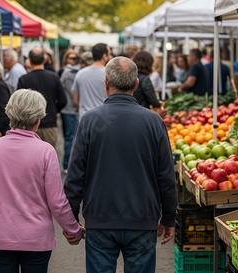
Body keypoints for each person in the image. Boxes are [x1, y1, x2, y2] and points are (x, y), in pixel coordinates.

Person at [64, 56, 177, 273]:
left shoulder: (89, 121)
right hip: (142, 218)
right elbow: (166, 175)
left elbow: (76, 175)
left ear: (106, 83)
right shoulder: (154, 122)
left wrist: (71, 218)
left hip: (100, 219)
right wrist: (169, 217)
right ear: (136, 84)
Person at [0, 89, 84, 273]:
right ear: (38, 119)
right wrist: (73, 229)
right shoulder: (45, 151)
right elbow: (56, 201)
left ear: (10, 114)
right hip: (36, 238)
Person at [17, 48, 67, 148]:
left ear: (30, 60)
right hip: (50, 124)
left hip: (29, 124)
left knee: (30, 156)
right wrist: (52, 110)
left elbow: (20, 103)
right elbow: (63, 100)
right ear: (44, 60)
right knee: (48, 156)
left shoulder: (24, 79)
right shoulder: (54, 77)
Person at [60, 50, 88, 174]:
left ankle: (69, 164)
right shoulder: (68, 73)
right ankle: (67, 164)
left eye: (75, 58)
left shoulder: (76, 73)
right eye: (70, 58)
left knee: (72, 137)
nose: (73, 60)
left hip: (73, 109)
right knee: (71, 137)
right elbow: (72, 94)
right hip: (70, 109)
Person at [72, 43, 111, 118]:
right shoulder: (109, 74)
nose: (110, 56)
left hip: (84, 117)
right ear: (104, 56)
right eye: (109, 54)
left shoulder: (80, 73)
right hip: (104, 119)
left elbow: (75, 100)